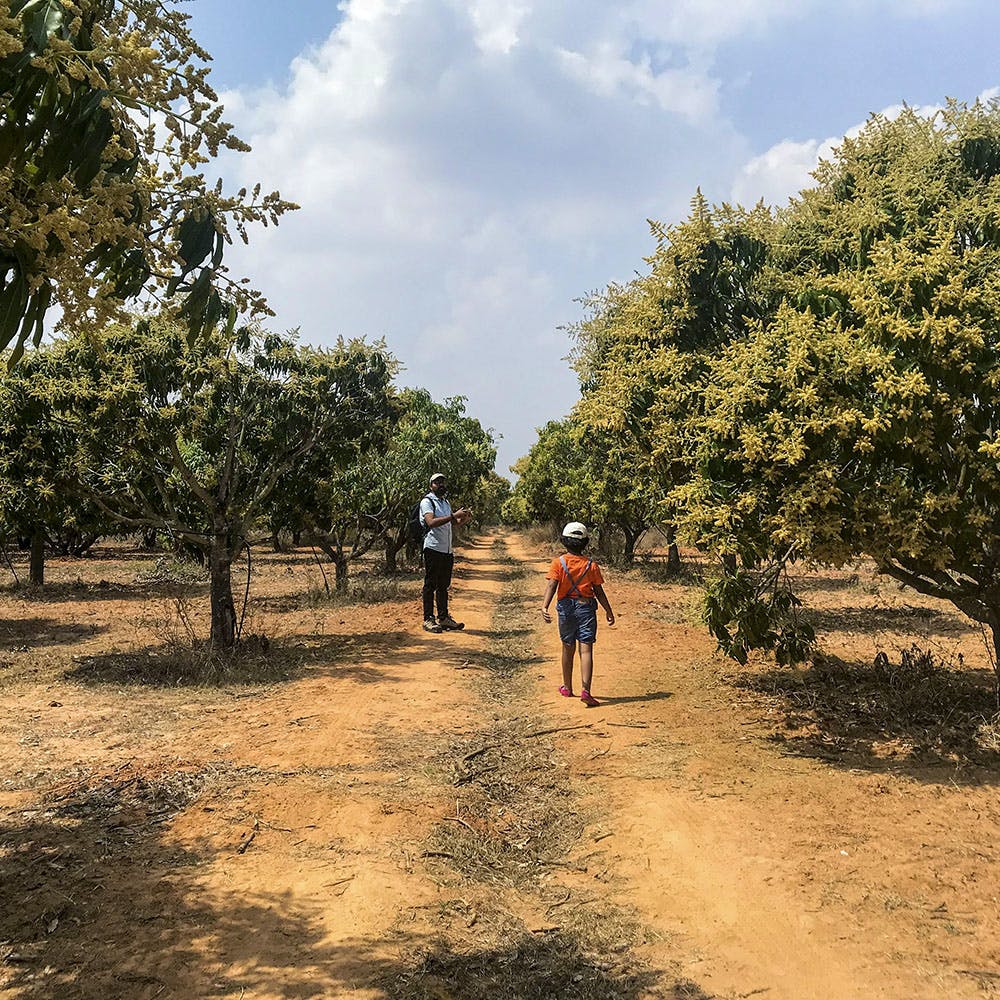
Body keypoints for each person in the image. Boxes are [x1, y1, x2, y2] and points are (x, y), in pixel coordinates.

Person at [541, 522, 615, 707]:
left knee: (567, 647)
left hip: (565, 608)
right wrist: (608, 610)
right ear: (585, 543)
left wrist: (544, 606)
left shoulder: (559, 563)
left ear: (564, 541)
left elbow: (552, 585)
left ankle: (567, 687)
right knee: (586, 649)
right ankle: (586, 691)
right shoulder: (591, 565)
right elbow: (599, 591)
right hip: (586, 607)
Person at [421, 473, 472, 633]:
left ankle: (443, 618)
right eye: (437, 482)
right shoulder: (427, 502)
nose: (441, 485)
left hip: (446, 550)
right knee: (430, 585)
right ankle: (428, 619)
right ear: (431, 485)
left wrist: (463, 519)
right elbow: (431, 522)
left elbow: (452, 523)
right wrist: (453, 515)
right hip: (433, 548)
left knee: (443, 585)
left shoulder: (445, 502)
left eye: (442, 482)